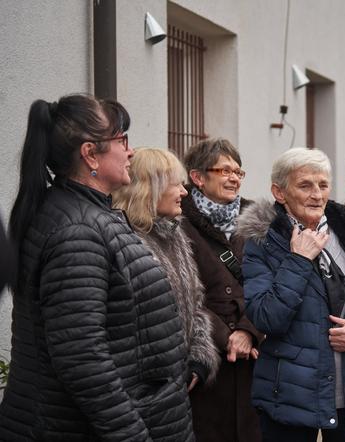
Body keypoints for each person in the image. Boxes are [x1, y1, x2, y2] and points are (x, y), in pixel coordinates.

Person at [0, 94, 193, 441]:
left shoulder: (90, 215)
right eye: (122, 140)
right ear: (90, 154)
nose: (131, 151)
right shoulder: (76, 230)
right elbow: (82, 358)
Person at [236, 147, 345, 442]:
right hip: (289, 397)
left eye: (323, 185)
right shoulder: (263, 242)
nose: (317, 194)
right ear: (280, 192)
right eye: (305, 185)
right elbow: (265, 317)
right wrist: (298, 261)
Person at [112, 148, 220, 392]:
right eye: (176, 185)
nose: (184, 191)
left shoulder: (174, 234)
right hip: (143, 388)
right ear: (150, 188)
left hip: (176, 386)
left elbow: (196, 302)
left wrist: (199, 357)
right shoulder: (122, 238)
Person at [180, 138, 263, 442]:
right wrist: (227, 337)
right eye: (224, 170)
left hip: (255, 359)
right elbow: (183, 292)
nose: (233, 178)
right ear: (198, 177)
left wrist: (248, 331)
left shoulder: (259, 219)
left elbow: (276, 284)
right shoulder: (177, 220)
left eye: (238, 172)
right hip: (207, 361)